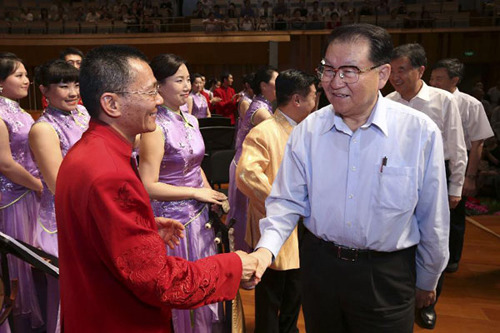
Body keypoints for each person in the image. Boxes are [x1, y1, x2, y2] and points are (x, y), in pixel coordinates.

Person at [249, 24, 450, 332]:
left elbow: (433, 219)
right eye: (328, 70)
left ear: (382, 75)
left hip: (386, 275)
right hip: (320, 268)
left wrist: (427, 279)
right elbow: (286, 202)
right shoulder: (308, 131)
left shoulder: (418, 132)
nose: (334, 82)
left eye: (349, 71)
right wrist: (266, 251)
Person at [55, 45, 257, 332]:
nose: (159, 100)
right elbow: (159, 281)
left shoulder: (89, 152)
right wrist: (234, 266)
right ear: (111, 104)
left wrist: (144, 227)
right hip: (119, 318)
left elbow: (96, 232)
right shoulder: (110, 172)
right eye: (151, 92)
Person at [139, 53, 229, 332]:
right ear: (159, 86)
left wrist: (209, 193)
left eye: (188, 79)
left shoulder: (190, 118)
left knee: (201, 286)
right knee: (179, 293)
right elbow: (147, 185)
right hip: (174, 224)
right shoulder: (154, 126)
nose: (187, 85)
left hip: (199, 217)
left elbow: (195, 166)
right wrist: (194, 193)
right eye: (179, 80)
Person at [386, 43, 467, 330]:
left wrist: (455, 186)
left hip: (436, 174)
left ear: (421, 70)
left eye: (402, 70)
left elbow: (457, 147)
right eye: (392, 70)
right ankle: (404, 296)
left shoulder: (444, 101)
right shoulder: (389, 102)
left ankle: (429, 300)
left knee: (434, 235)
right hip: (399, 176)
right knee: (405, 234)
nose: (395, 76)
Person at [236, 69, 317, 333]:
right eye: (313, 95)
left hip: (307, 222)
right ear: (297, 99)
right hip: (275, 223)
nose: (316, 101)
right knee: (272, 290)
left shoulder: (309, 130)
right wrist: (282, 203)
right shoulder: (265, 131)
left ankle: (289, 328)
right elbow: (247, 174)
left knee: (297, 286)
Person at [29, 59, 90, 333]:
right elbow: (58, 184)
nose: (72, 91)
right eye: (63, 85)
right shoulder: (43, 129)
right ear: (45, 90)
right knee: (69, 297)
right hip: (63, 221)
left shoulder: (84, 114)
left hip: (91, 209)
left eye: (76, 84)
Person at [430, 58, 494, 272]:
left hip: (458, 161)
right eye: (432, 78)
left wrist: (470, 176)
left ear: (454, 80)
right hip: (432, 160)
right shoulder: (429, 100)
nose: (433, 82)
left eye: (439, 79)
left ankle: (452, 258)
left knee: (454, 214)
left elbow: (477, 143)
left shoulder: (470, 104)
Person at [0, 52, 44, 332]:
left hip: (30, 190)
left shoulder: (20, 111)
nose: (27, 80)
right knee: (18, 259)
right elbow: (5, 163)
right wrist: (40, 185)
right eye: (19, 75)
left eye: (27, 74)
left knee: (34, 257)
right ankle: (20, 319)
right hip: (12, 195)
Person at [227, 66, 278, 252]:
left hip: (245, 165)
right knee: (246, 214)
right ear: (264, 86)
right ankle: (246, 254)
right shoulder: (260, 111)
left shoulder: (262, 105)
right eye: (275, 82)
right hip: (245, 168)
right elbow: (280, 138)